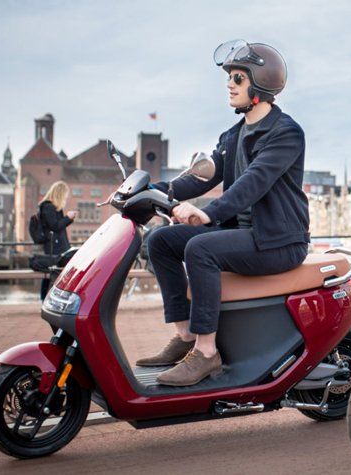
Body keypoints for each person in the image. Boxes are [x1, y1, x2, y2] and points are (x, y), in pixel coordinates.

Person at [135, 40, 309, 387]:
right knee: (159, 241)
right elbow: (202, 176)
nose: (229, 84)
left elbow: (253, 181)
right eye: (229, 77)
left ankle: (207, 352)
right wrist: (150, 191)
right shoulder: (233, 135)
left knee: (200, 249)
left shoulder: (285, 133)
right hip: (244, 234)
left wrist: (208, 213)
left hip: (277, 240)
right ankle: (186, 335)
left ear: (260, 83)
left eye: (238, 77)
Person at [38, 181, 77, 299]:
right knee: (52, 273)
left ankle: (50, 297)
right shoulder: (48, 207)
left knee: (54, 273)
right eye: (65, 195)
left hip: (58, 245)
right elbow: (54, 226)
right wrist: (67, 217)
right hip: (54, 246)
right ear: (60, 194)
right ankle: (45, 297)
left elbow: (59, 226)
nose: (66, 198)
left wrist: (69, 219)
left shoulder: (54, 208)